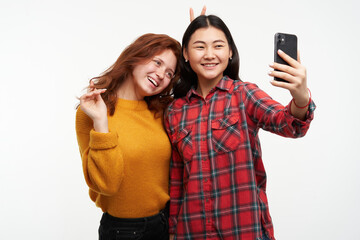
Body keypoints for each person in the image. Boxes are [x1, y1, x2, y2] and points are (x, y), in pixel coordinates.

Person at [165, 15, 315, 240]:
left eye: (218, 46)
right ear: (185, 54)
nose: (209, 54)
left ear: (230, 52)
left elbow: (289, 124)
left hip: (243, 231)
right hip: (192, 232)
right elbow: (176, 181)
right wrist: (173, 232)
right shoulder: (174, 111)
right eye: (199, 46)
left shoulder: (244, 95)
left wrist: (301, 97)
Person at [75, 33, 181, 240]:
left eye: (169, 73)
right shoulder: (92, 110)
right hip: (123, 231)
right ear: (136, 56)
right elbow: (107, 184)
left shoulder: (162, 110)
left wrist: (198, 42)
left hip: (166, 223)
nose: (161, 74)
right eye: (157, 62)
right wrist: (101, 123)